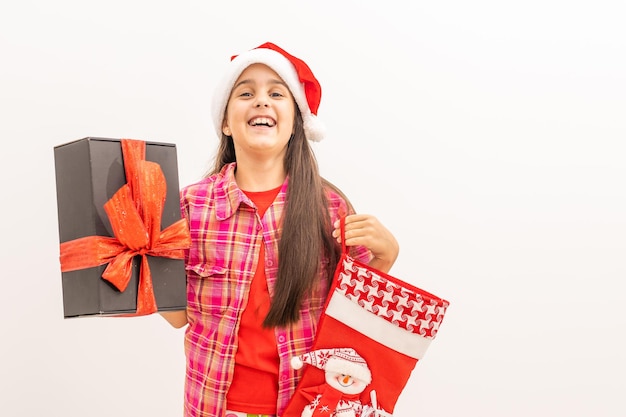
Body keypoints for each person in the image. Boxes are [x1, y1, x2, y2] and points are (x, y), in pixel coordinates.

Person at [160, 42, 399, 417]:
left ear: (296, 121)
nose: (261, 101)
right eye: (245, 93)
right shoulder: (188, 209)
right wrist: (136, 254)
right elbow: (177, 317)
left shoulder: (328, 208)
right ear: (224, 121)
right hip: (214, 408)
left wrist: (386, 259)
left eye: (276, 93)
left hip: (307, 406)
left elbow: (353, 325)